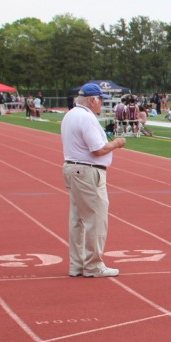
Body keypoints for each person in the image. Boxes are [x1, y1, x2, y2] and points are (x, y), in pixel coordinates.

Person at [61, 83, 127, 277]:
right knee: (96, 219)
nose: (102, 104)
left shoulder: (70, 115)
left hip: (73, 168)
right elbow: (97, 149)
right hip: (87, 171)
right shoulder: (86, 117)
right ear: (92, 100)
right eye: (101, 100)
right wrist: (117, 143)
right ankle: (93, 265)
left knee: (77, 219)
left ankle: (77, 264)